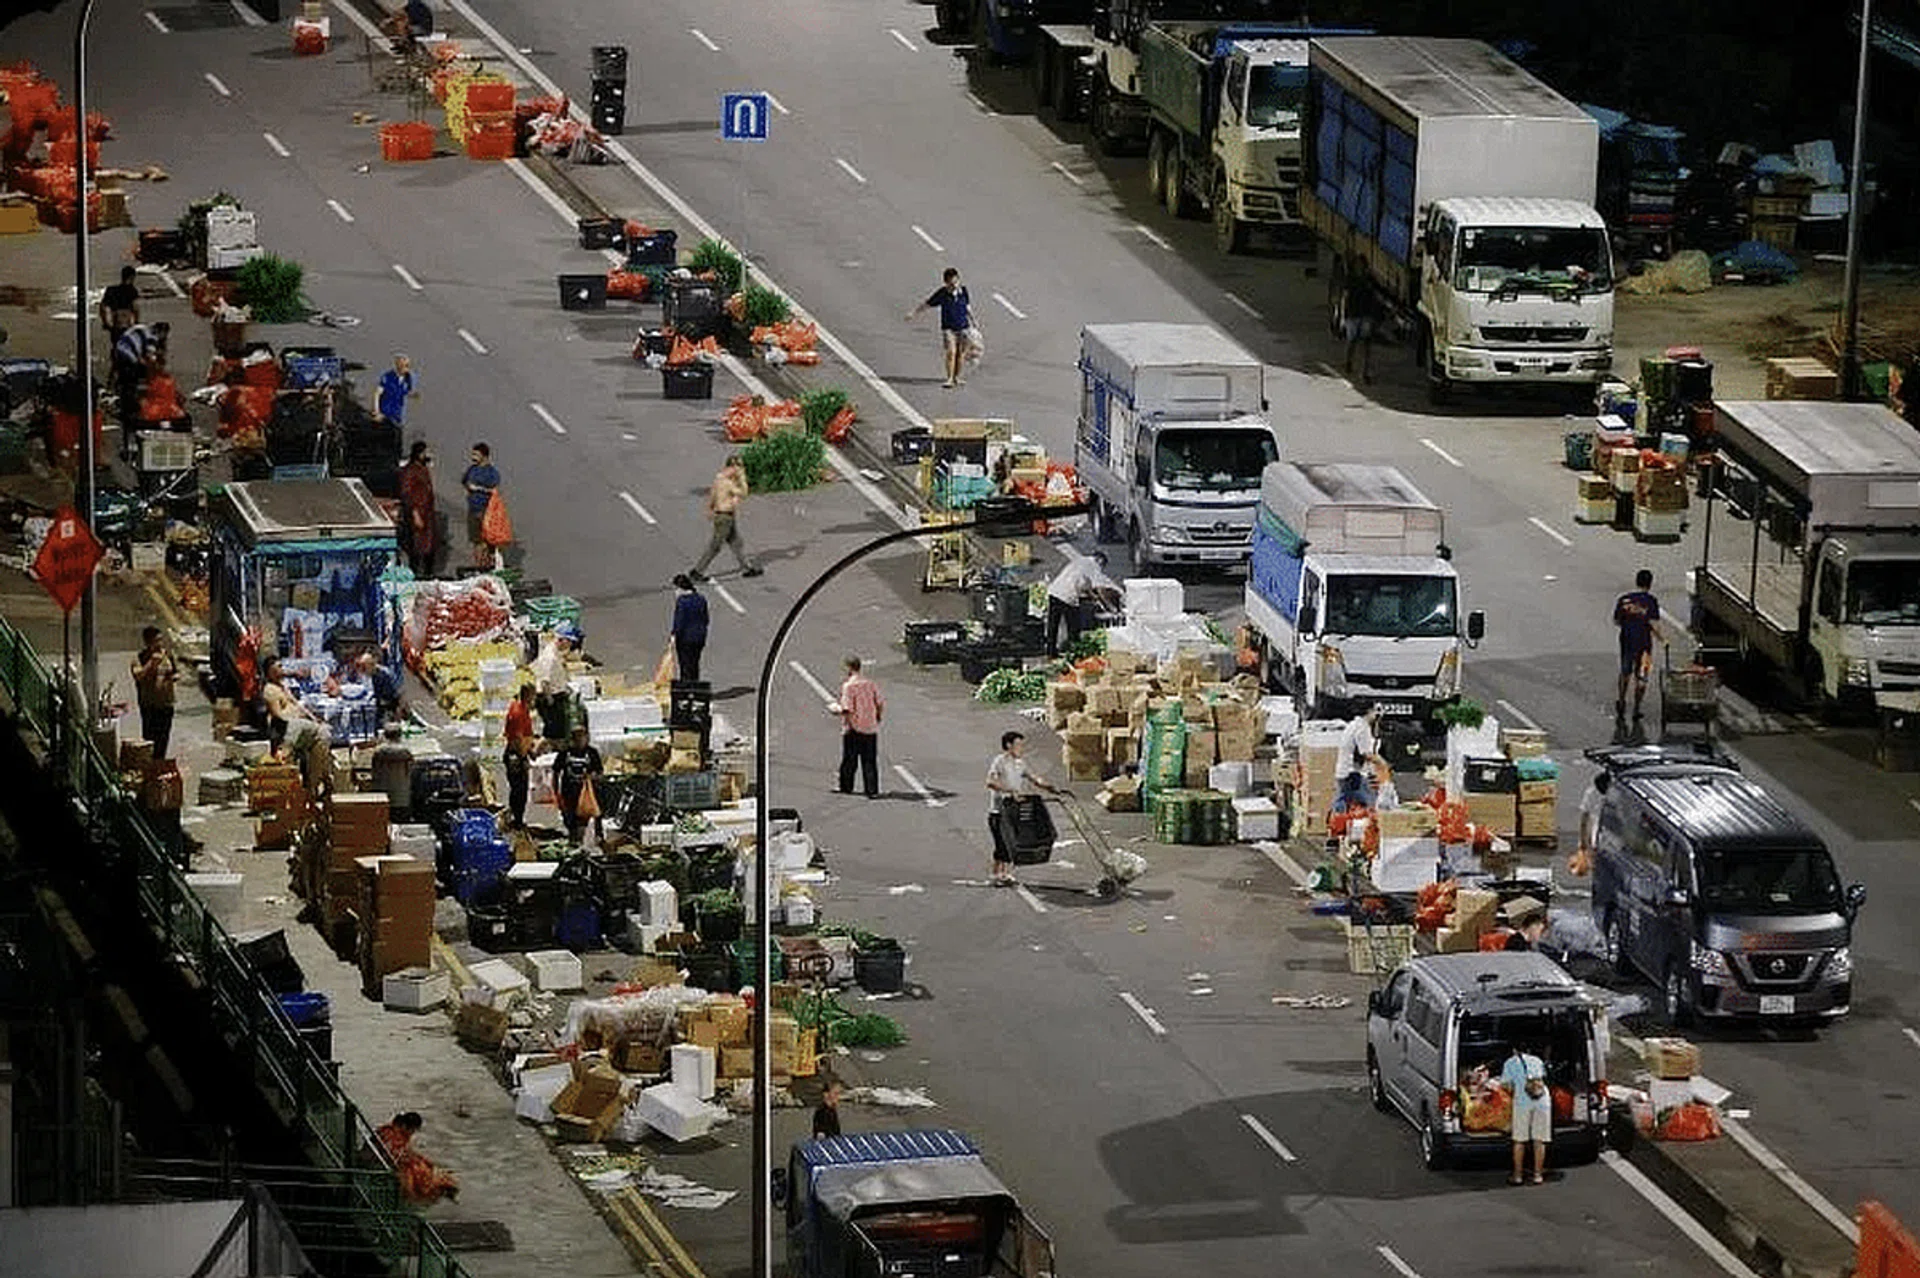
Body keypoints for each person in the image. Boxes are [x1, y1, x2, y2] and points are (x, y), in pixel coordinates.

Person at [985, 730, 1063, 887]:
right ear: (1009, 745)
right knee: (1001, 844)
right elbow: (990, 782)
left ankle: (1005, 873)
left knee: (1011, 842)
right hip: (999, 811)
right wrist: (1010, 790)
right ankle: (995, 874)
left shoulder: (1021, 763)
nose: (1022, 748)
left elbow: (1034, 777)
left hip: (1014, 810)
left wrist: (1049, 787)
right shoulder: (999, 761)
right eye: (1019, 745)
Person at [262, 658, 332, 794]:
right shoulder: (270, 690)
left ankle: (316, 782)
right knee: (321, 736)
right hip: (287, 727)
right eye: (279, 666)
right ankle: (312, 786)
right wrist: (295, 716)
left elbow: (298, 705)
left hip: (300, 725)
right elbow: (278, 715)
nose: (282, 669)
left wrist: (314, 719)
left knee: (323, 737)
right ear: (270, 671)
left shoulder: (283, 687)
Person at [690, 454, 762, 580]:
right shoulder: (728, 483)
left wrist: (710, 508)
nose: (739, 470)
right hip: (724, 517)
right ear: (733, 467)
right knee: (715, 546)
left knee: (736, 542)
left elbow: (713, 493)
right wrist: (742, 477)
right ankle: (697, 571)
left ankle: (747, 568)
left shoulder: (719, 477)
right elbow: (744, 493)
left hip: (726, 516)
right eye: (739, 467)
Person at [905, 266, 976, 390]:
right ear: (946, 282)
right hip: (948, 328)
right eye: (951, 283)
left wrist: (974, 321)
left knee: (960, 354)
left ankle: (956, 377)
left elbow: (967, 307)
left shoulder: (963, 291)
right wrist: (913, 313)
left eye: (956, 282)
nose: (954, 285)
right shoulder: (942, 294)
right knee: (951, 352)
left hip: (964, 327)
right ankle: (949, 378)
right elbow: (927, 304)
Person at [1613, 569, 1666, 724]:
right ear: (1650, 583)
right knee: (1642, 676)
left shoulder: (1624, 600)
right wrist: (1663, 640)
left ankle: (1621, 701)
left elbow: (1616, 621)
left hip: (1627, 641)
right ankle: (1636, 708)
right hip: (1644, 645)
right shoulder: (1651, 601)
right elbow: (1653, 624)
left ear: (1636, 581)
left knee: (1625, 672)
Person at [1044, 553, 1120, 657]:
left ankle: (1050, 651)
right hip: (1068, 596)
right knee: (1073, 625)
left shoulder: (1080, 560)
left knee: (1053, 624)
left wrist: (1093, 597)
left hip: (1054, 591)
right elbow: (1099, 588)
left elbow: (1083, 583)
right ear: (1100, 560)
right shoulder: (1093, 565)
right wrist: (1110, 607)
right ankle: (1074, 651)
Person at [376, 1111, 459, 1205]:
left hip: (392, 1162)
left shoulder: (399, 1134)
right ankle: (434, 1189)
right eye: (412, 1130)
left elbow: (404, 1152)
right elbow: (392, 1155)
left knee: (425, 1166)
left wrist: (421, 1159)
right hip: (383, 1163)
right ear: (404, 1126)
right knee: (417, 1172)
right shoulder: (390, 1133)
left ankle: (441, 1185)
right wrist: (411, 1159)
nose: (412, 1133)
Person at [1500, 1040, 1551, 1185]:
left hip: (1522, 1102)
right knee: (1539, 1140)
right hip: (1542, 1101)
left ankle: (1518, 1176)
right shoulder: (1537, 1060)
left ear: (1514, 1050)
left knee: (1519, 1140)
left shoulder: (1510, 1063)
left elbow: (1506, 1085)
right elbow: (1543, 1076)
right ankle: (1538, 1175)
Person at [834, 656, 884, 799]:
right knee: (869, 761)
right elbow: (879, 703)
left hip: (853, 727)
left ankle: (846, 786)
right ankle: (872, 789)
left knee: (849, 760)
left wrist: (835, 709)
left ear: (849, 668)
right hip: (870, 727)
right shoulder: (870, 684)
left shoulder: (849, 686)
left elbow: (847, 709)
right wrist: (878, 717)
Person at [552, 723, 604, 846]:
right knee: (572, 825)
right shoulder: (564, 753)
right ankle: (574, 844)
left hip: (588, 796)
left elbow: (600, 772)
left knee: (589, 823)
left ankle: (594, 841)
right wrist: (556, 793)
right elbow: (556, 772)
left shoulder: (592, 753)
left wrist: (592, 777)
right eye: (576, 737)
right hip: (569, 794)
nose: (580, 740)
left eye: (582, 736)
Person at [131, 626, 178, 760]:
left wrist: (173, 677)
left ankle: (160, 763)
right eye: (156, 641)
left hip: (166, 704)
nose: (159, 644)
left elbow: (176, 672)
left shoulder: (167, 655)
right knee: (150, 740)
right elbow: (138, 676)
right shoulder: (140, 658)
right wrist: (152, 663)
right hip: (149, 705)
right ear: (147, 642)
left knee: (163, 739)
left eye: (160, 640)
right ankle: (150, 767)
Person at [531, 623, 581, 741]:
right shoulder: (550, 657)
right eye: (568, 641)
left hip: (557, 695)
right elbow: (545, 682)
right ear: (561, 640)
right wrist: (550, 701)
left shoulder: (555, 651)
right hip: (551, 697)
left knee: (556, 732)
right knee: (552, 733)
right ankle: (537, 753)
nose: (570, 645)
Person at [1334, 705, 1387, 811]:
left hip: (1343, 771)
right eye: (1377, 711)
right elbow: (1367, 754)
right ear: (1369, 711)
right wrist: (1383, 764)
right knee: (1369, 804)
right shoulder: (1362, 728)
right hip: (1352, 773)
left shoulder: (1353, 725)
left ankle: (1337, 823)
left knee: (1343, 801)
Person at [398, 440, 437, 577]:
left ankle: (428, 575)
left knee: (429, 547)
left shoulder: (423, 469)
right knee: (416, 546)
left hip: (427, 513)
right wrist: (415, 513)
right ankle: (414, 574)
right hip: (417, 513)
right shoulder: (410, 471)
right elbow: (407, 494)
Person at [460, 443, 500, 569]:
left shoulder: (491, 472)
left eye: (476, 454)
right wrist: (468, 488)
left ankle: (489, 565)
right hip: (473, 510)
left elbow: (494, 490)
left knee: (487, 541)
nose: (473, 457)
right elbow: (464, 481)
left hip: (486, 511)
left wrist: (478, 489)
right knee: (475, 541)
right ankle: (478, 566)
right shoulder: (471, 469)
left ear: (484, 456)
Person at [503, 684, 537, 829]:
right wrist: (524, 757)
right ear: (528, 695)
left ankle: (517, 818)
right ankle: (516, 820)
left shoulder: (522, 708)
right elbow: (517, 739)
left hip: (520, 753)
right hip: (516, 755)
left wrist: (530, 751)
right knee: (519, 789)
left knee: (520, 788)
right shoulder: (518, 712)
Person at [1343, 272, 1383, 384]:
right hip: (1355, 315)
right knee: (1354, 342)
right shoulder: (1351, 280)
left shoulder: (1369, 280)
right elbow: (1346, 298)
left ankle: (1364, 371)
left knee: (1364, 344)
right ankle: (1349, 363)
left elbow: (1375, 297)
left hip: (1364, 315)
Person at [669, 574, 710, 684]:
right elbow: (706, 619)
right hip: (700, 638)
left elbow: (679, 621)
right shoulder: (701, 599)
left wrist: (674, 635)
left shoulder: (682, 601)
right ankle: (695, 687)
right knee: (694, 663)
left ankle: (686, 689)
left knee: (685, 665)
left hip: (685, 639)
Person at [100, 265, 140, 347]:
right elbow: (135, 307)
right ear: (132, 277)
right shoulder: (132, 291)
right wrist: (136, 322)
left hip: (115, 322)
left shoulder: (111, 290)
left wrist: (106, 322)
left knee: (116, 344)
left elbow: (103, 306)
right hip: (127, 323)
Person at [1576, 771, 1611, 864]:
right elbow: (1584, 819)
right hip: (1601, 833)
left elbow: (1584, 819)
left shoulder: (1592, 793)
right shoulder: (1592, 794)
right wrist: (1583, 840)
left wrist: (1582, 840)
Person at [378, 353, 416, 427]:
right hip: (386, 411)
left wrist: (412, 395)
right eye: (403, 366)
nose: (406, 368)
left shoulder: (408, 378)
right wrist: (376, 411)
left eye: (407, 366)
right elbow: (377, 393)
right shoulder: (388, 377)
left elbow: (407, 392)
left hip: (398, 413)